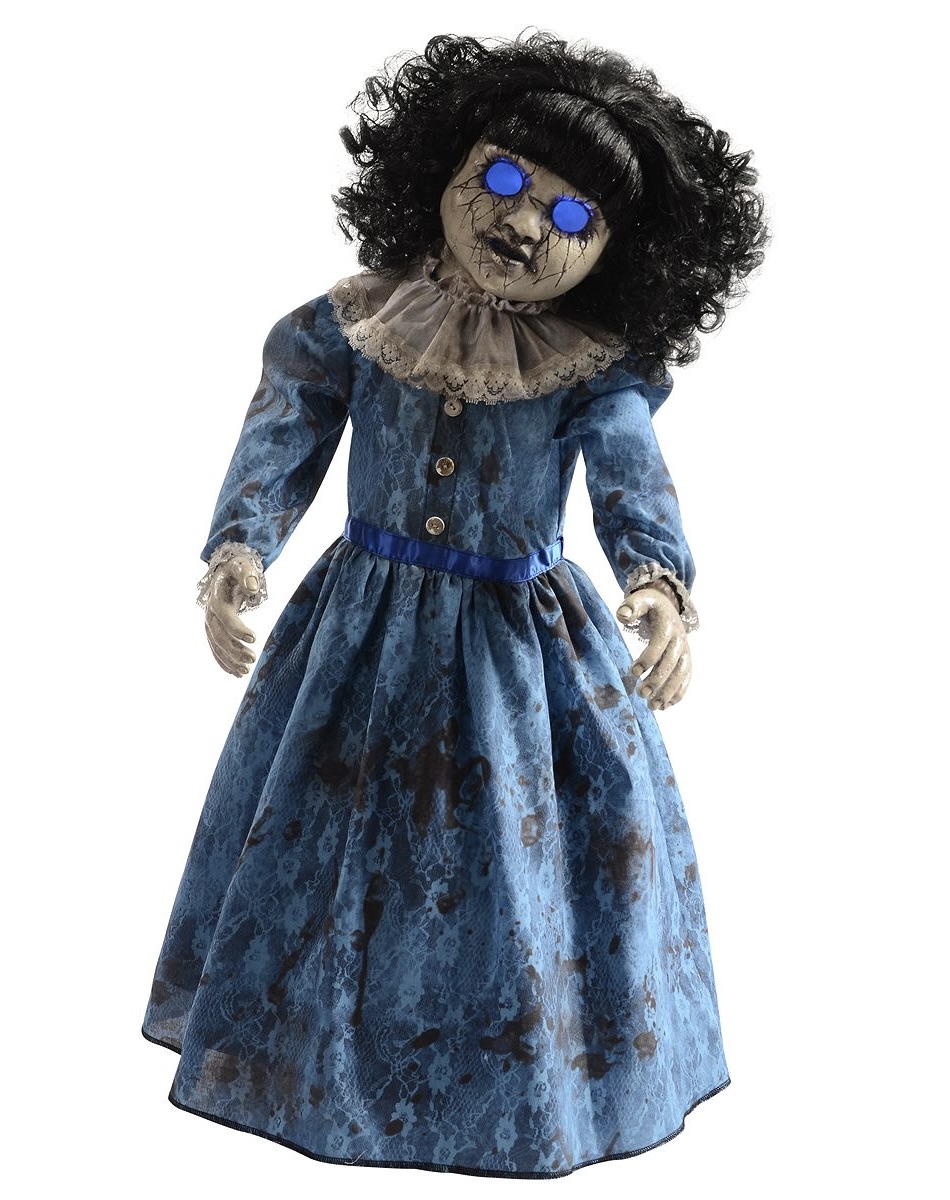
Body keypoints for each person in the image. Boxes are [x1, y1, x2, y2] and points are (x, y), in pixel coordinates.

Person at [142, 32, 767, 1178]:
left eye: (570, 216)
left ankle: (508, 1071)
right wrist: (240, 545)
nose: (520, 223)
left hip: (516, 656)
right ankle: (323, 1052)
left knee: (515, 868)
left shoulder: (587, 365)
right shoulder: (356, 321)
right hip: (356, 641)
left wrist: (656, 581)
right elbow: (284, 430)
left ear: (620, 255)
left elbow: (627, 472)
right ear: (437, 166)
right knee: (338, 846)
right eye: (500, 178)